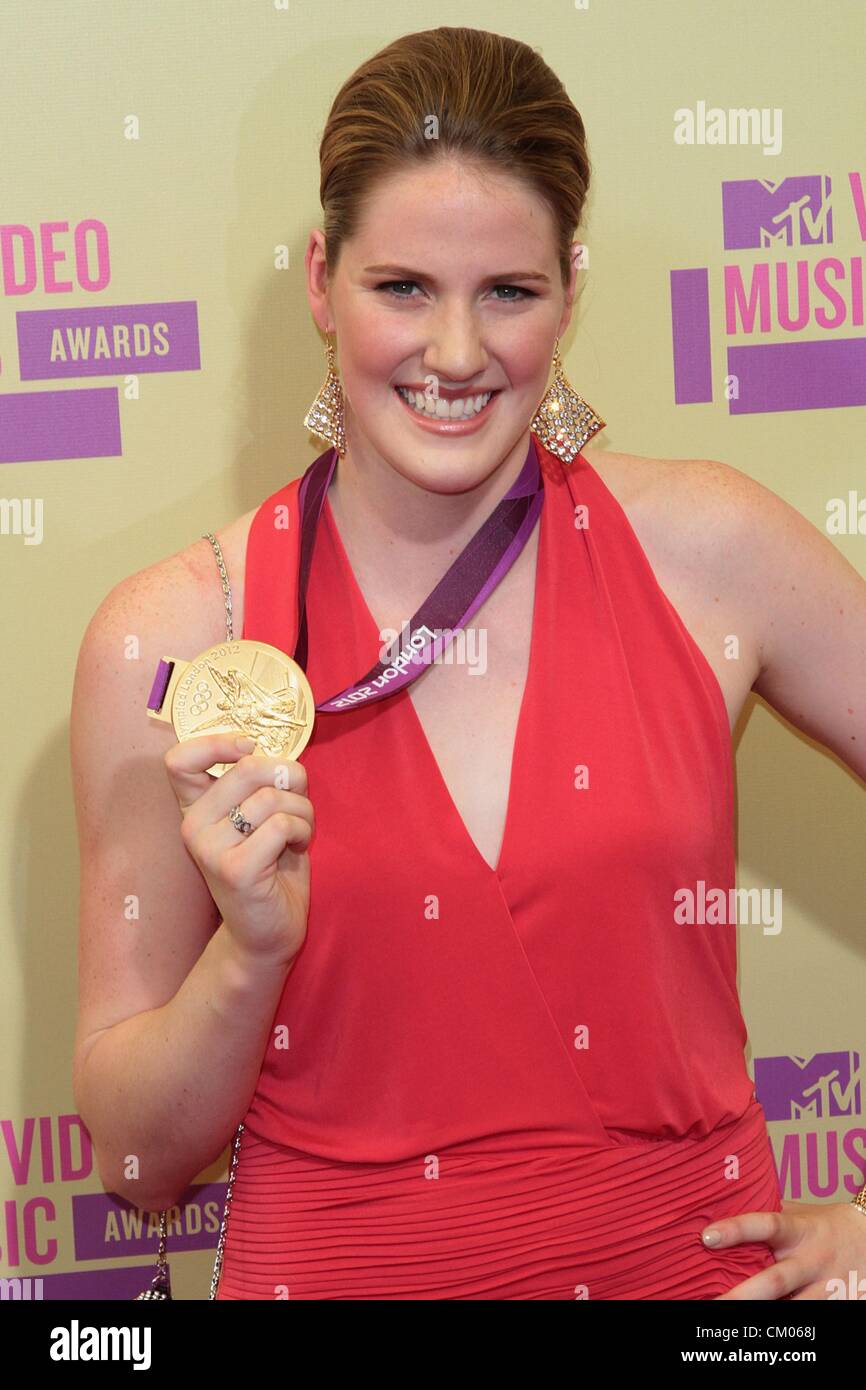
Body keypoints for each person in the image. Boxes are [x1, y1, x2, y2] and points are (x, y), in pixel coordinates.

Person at [71, 26, 866, 1300]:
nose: (453, 353)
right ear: (322, 282)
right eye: (402, 288)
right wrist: (248, 955)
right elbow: (130, 1158)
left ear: (569, 288)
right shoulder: (170, 635)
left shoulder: (709, 545)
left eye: (508, 290)